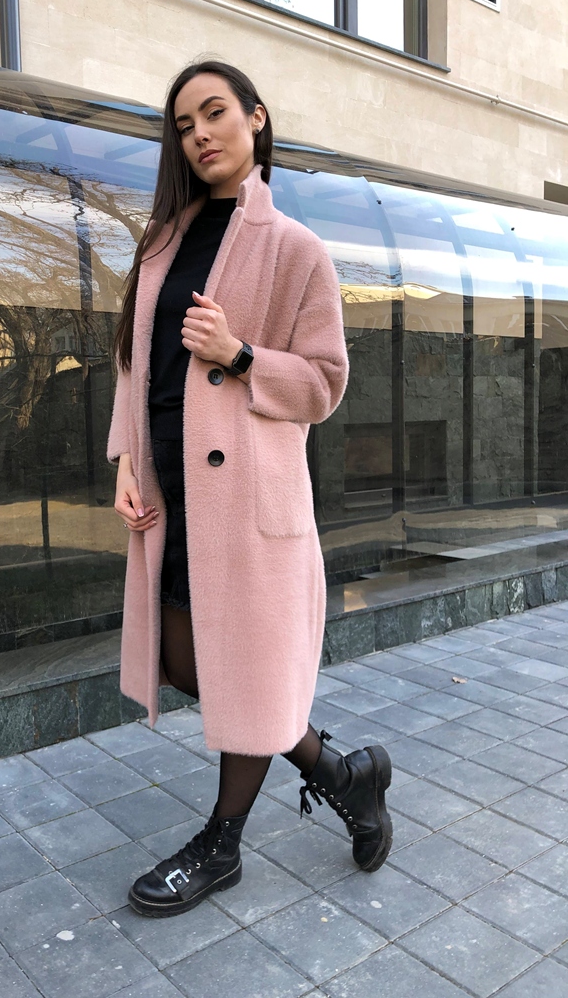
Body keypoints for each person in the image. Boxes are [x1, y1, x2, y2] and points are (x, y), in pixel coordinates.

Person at [107, 59, 393, 918]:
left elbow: (324, 383)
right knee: (189, 660)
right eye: (184, 124)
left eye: (214, 113)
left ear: (256, 118)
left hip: (248, 501)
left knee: (243, 669)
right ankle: (342, 774)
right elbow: (132, 365)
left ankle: (221, 845)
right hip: (172, 490)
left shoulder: (294, 247)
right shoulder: (161, 242)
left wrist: (238, 354)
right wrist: (126, 461)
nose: (199, 134)